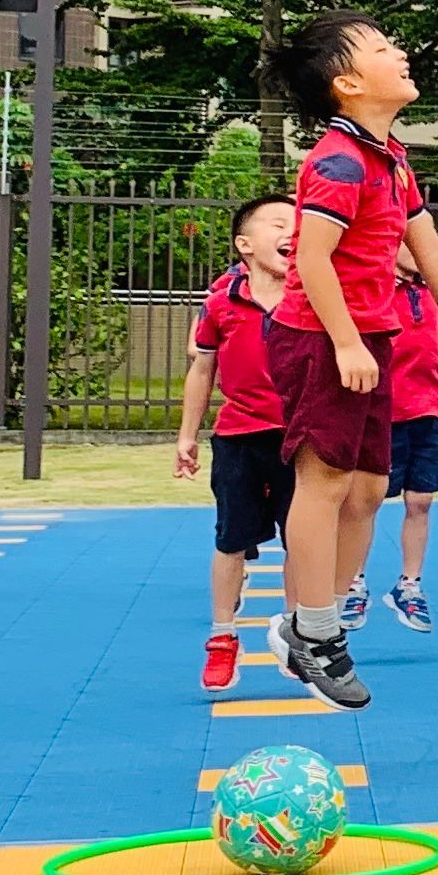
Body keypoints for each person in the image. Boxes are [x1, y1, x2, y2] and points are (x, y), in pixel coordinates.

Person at [267, 16, 438, 711]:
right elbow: (312, 259)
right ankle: (315, 631)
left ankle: (313, 620)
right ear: (347, 83)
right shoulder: (338, 161)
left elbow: (429, 249)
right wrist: (344, 341)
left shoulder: (392, 157)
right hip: (321, 339)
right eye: (381, 48)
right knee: (324, 481)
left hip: (371, 337)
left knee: (370, 491)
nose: (400, 53)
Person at [174, 196, 295, 694]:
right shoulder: (221, 302)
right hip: (239, 437)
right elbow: (202, 368)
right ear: (244, 244)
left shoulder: (314, 297)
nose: (292, 232)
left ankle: (300, 635)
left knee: (302, 541)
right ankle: (223, 636)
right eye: (278, 223)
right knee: (230, 541)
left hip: (300, 438)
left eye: (298, 224)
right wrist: (187, 435)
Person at [382, 275, 438, 631]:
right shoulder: (375, 285)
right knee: (364, 502)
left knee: (421, 500)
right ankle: (352, 582)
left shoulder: (431, 288)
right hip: (384, 411)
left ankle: (409, 585)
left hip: (429, 408)